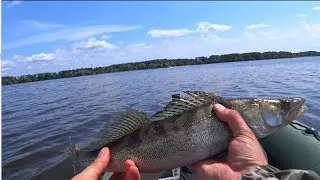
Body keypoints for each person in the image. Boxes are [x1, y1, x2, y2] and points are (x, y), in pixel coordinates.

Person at [72, 104, 320, 180]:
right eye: (283, 106)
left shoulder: (237, 127)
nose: (290, 106)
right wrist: (250, 171)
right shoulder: (234, 117)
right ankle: (84, 157)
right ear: (246, 115)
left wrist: (245, 171)